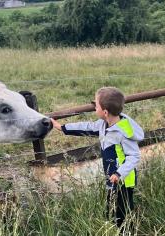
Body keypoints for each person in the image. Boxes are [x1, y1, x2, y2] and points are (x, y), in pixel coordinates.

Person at [51, 87, 144, 229]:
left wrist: (119, 173)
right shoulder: (104, 124)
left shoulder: (123, 131)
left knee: (123, 210)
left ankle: (128, 230)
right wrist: (63, 128)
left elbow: (134, 156)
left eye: (96, 106)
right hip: (113, 178)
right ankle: (119, 229)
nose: (94, 108)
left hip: (123, 179)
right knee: (113, 208)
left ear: (105, 112)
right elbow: (86, 127)